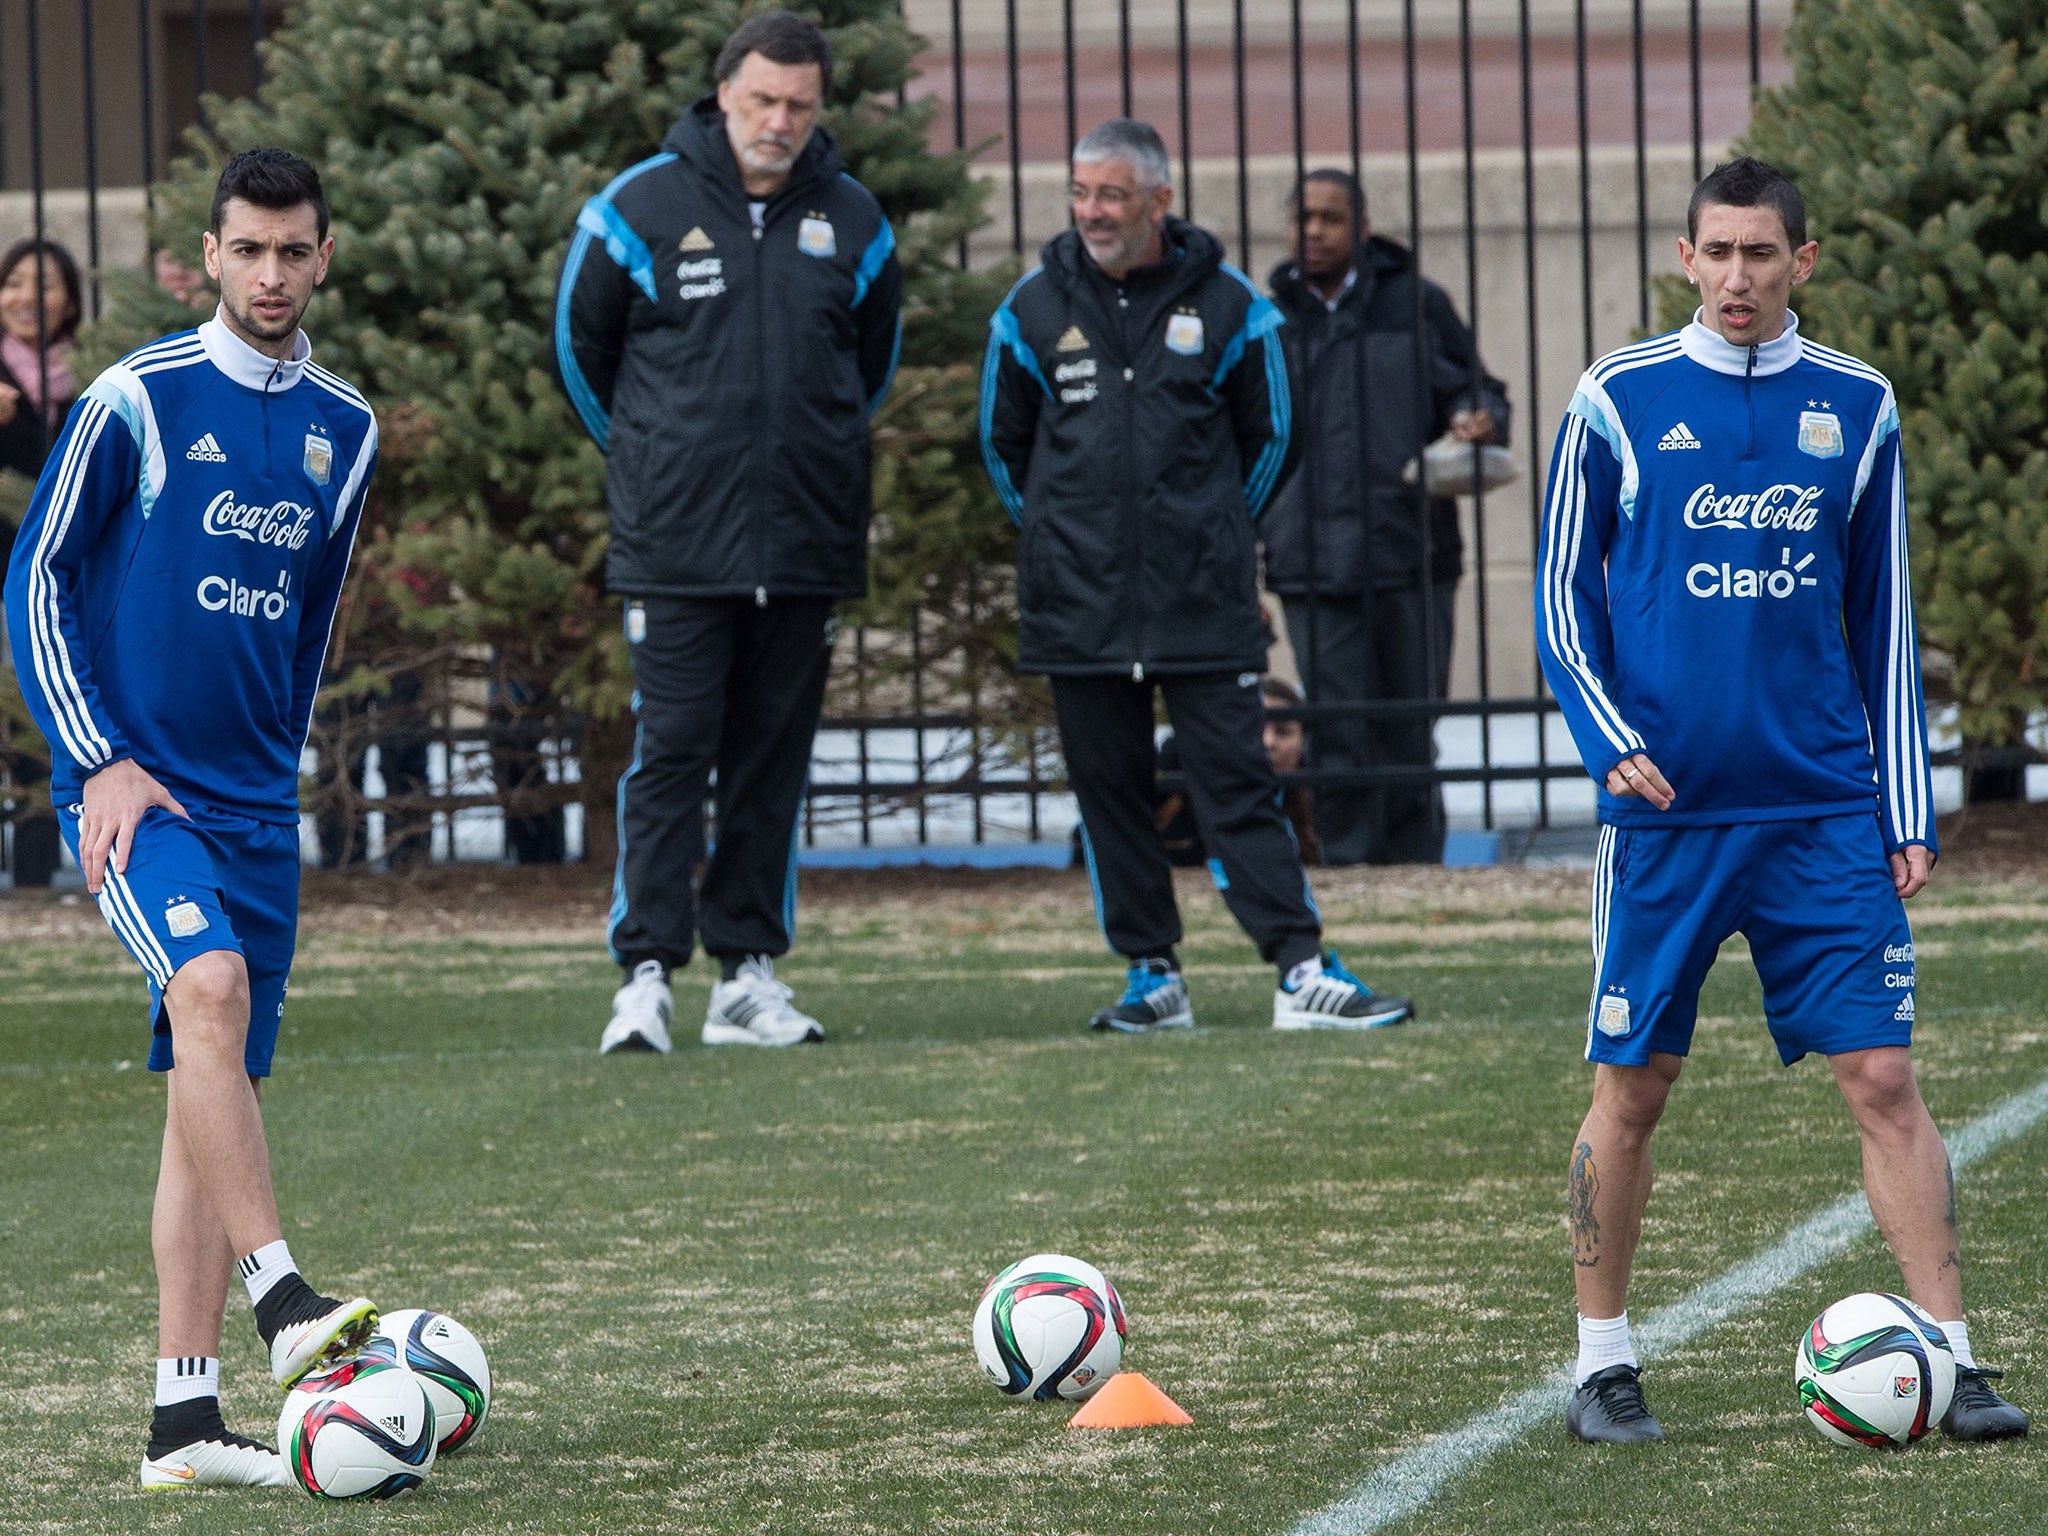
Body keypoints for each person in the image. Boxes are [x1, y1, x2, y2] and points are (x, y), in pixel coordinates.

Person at [1537, 156, 2027, 1445]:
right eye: (1716, 252)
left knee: (1882, 1074)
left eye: (1760, 253)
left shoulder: (1855, 405)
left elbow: (1882, 617)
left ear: (1799, 261)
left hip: (1819, 809)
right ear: (1685, 258)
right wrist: (1607, 740)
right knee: (1632, 1086)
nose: (1736, 277)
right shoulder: (1615, 398)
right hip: (1667, 817)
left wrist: (1903, 807)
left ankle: (1952, 1358)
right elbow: (1559, 599)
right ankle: (1600, 1366)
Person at [3, 148, 383, 1487]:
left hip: (253, 803)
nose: (271, 274)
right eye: (248, 250)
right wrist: (98, 759)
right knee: (206, 990)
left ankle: (184, 1422)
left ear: (323, 257)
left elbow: (314, 617)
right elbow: (35, 577)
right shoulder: (137, 397)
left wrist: (280, 762)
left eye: (293, 251)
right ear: (209, 256)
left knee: (204, 1097)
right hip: (137, 791)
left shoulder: (346, 426)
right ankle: (286, 1300)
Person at [980, 118, 1412, 1035]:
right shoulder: (1030, 308)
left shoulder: (1231, 304)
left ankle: (1300, 969)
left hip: (1201, 601)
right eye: (1081, 193)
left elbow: (1275, 438)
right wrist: (1065, 537)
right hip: (1079, 606)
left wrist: (1210, 534)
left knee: (1238, 786)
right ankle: (1152, 976)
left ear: (1160, 200)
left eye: (1112, 194)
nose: (1093, 211)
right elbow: (1002, 445)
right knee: (1111, 795)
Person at [555, 10, 902, 1054]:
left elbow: (868, 369)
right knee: (671, 753)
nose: (779, 121)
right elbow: (581, 355)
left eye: (799, 105)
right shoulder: (636, 207)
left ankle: (746, 976)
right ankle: (645, 975)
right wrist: (657, 461)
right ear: (723, 95)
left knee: (771, 761)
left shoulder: (855, 219)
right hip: (677, 543)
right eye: (762, 100)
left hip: (804, 542)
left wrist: (812, 458)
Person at [1262, 171, 1509, 866]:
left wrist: (1478, 416)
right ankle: (1346, 868)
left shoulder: (1417, 304)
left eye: (1330, 218)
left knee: (1409, 728)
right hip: (1309, 559)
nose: (1313, 231)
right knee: (1337, 730)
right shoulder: (1268, 320)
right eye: (1303, 217)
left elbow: (1478, 388)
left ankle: (1415, 867)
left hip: (1412, 551)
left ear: (1362, 228)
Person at [1156, 675, 1319, 867]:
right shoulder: (1180, 788)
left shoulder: (1322, 804)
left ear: (1303, 741)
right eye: (1253, 730)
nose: (1268, 742)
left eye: (1283, 731)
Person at [0, 237, 82, 489]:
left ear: (70, 304)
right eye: (14, 284)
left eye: (44, 286)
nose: (27, 297)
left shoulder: (92, 369)